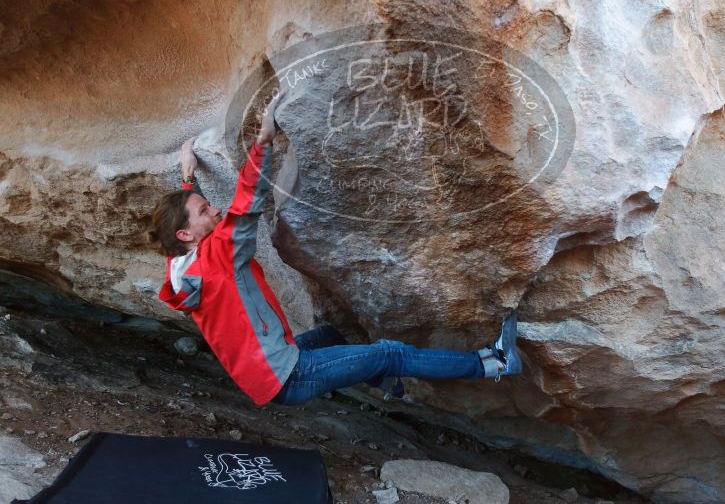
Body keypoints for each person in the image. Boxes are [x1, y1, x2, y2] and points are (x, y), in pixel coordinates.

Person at [148, 90, 522, 406]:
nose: (212, 208)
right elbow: (246, 202)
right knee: (390, 352)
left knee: (327, 335)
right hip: (289, 374)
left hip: (263, 375)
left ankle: (386, 383)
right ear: (186, 235)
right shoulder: (216, 256)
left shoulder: (180, 267)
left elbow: (197, 222)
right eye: (203, 209)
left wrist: (188, 176)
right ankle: (494, 363)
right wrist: (264, 140)